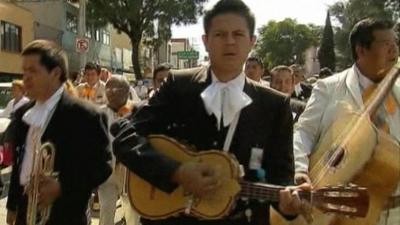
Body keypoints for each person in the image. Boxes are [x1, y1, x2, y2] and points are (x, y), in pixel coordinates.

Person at [112, 1, 309, 225]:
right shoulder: (178, 86)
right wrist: (176, 172)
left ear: (252, 42)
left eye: (238, 34)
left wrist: (288, 205)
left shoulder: (275, 104)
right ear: (205, 41)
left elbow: (281, 177)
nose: (230, 42)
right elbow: (124, 136)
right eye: (220, 34)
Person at [293, 18, 399, 225]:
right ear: (361, 50)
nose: (394, 49)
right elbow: (304, 131)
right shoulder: (328, 88)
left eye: (395, 42)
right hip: (343, 214)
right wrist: (300, 169)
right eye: (386, 43)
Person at [5, 40, 112, 225]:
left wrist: (62, 186)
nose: (26, 78)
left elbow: (102, 166)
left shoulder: (86, 116)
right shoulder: (24, 114)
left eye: (33, 71)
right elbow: (20, 162)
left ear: (55, 73)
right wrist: (12, 205)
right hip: (26, 211)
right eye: (24, 71)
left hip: (65, 214)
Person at [98, 75, 139, 225]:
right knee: (106, 211)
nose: (111, 92)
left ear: (127, 91)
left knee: (133, 214)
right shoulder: (99, 114)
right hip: (107, 172)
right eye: (108, 88)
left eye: (116, 88)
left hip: (131, 173)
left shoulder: (137, 111)